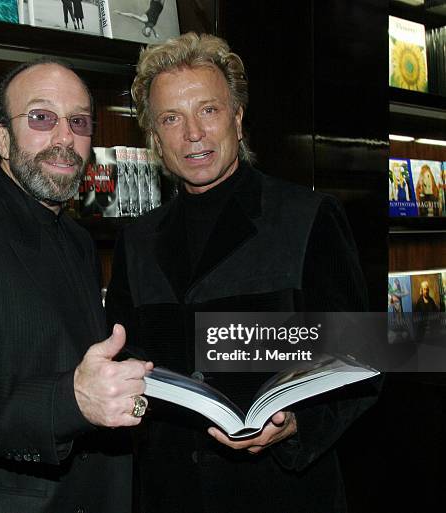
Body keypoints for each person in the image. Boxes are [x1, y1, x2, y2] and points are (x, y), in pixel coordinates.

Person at [106, 33, 380, 513]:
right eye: (171, 118)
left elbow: (363, 360)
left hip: (282, 494)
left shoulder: (307, 217)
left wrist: (298, 425)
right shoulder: (136, 240)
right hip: (169, 494)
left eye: (208, 110)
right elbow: (128, 358)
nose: (193, 133)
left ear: (237, 117)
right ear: (154, 136)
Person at [0, 59, 152, 513]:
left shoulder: (77, 240)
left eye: (78, 121)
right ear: (0, 137)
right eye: (41, 117)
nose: (63, 138)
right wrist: (70, 400)